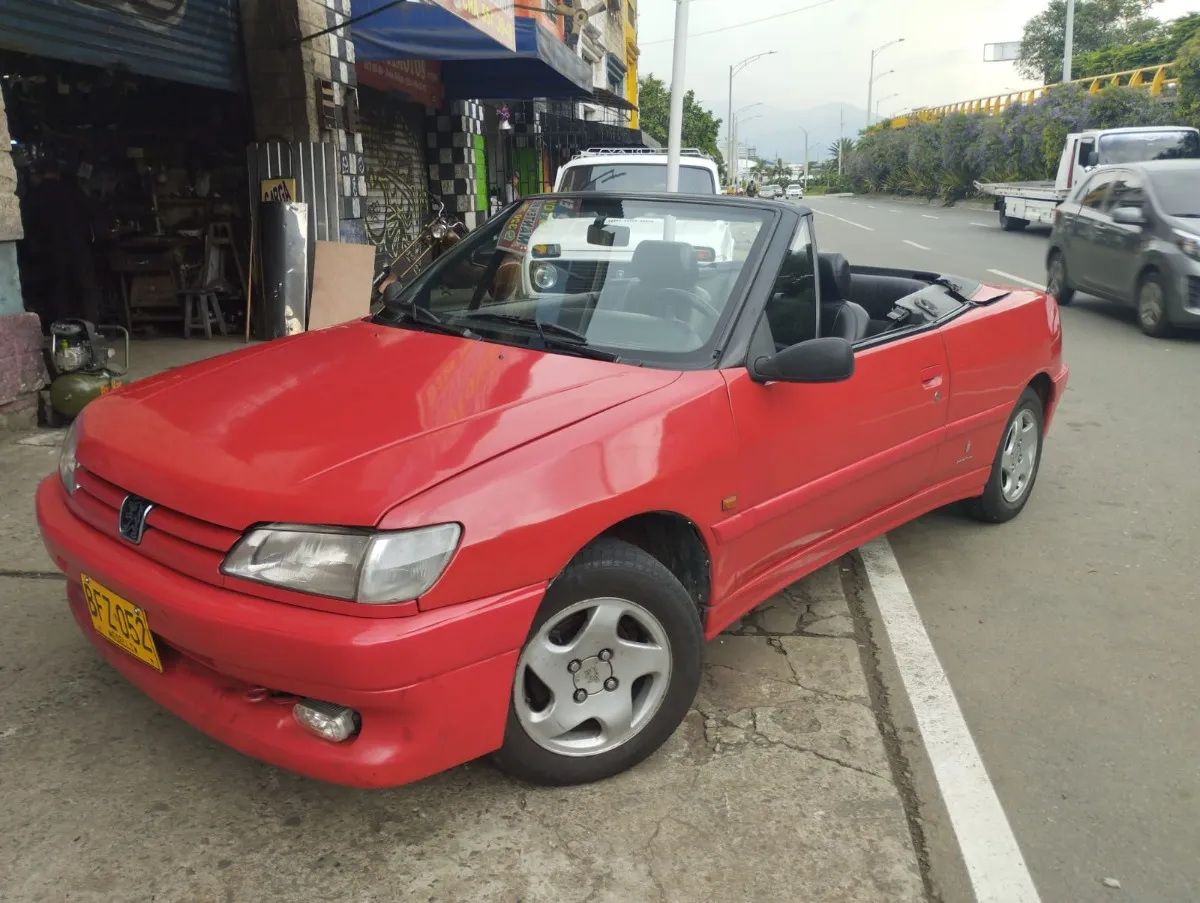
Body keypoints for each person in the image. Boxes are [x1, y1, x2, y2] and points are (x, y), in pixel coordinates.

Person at [21, 159, 102, 327]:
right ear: (57, 172)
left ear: (40, 174)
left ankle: (61, 328)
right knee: (86, 288)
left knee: (58, 290)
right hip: (77, 245)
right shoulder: (71, 190)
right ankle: (92, 327)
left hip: (50, 249)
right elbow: (93, 211)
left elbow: (27, 224)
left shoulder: (34, 195)